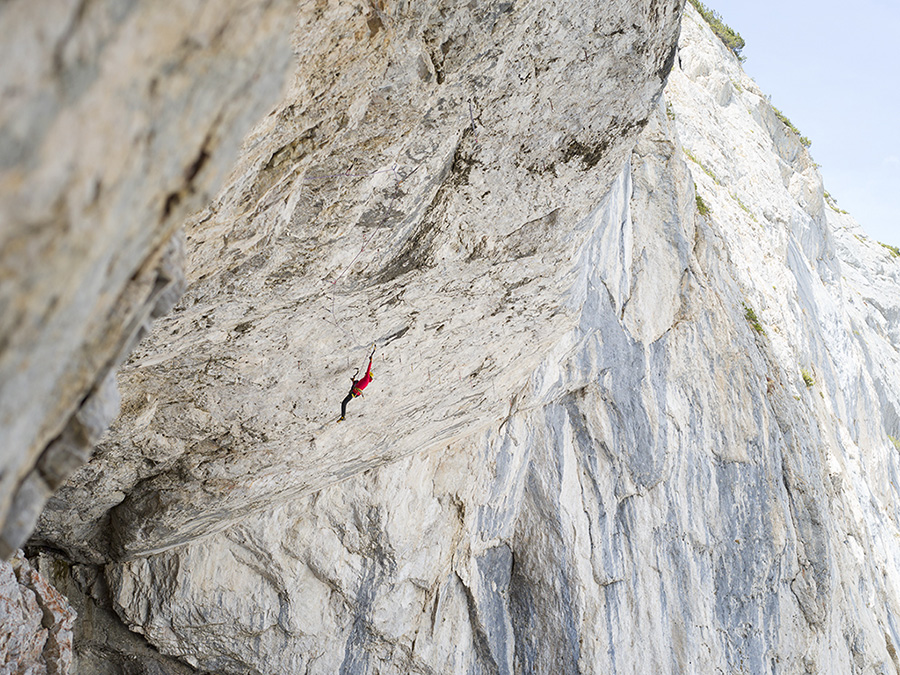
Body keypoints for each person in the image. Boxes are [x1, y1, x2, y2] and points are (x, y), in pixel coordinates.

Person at [339, 344, 376, 421]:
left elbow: (368, 369)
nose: (366, 373)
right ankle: (343, 416)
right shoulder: (366, 381)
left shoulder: (366, 378)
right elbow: (358, 384)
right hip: (355, 392)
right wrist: (353, 382)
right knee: (356, 382)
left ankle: (343, 416)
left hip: (354, 392)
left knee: (344, 403)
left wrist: (370, 361)